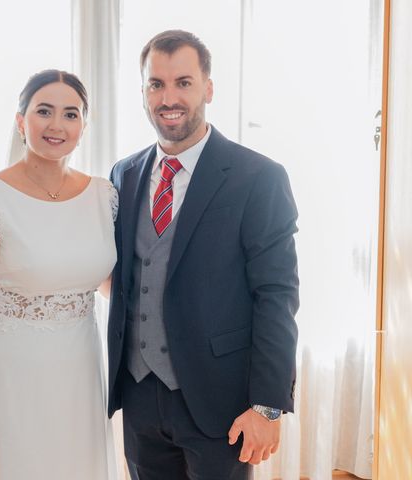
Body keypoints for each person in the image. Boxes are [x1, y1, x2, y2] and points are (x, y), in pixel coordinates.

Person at [107, 30, 299, 479]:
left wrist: (268, 406)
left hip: (221, 401)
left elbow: (276, 295)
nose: (168, 97)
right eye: (156, 84)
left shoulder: (258, 177)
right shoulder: (124, 174)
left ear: (208, 88)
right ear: (142, 92)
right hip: (137, 397)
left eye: (184, 82)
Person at [0, 69, 119, 480]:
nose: (56, 125)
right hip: (11, 372)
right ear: (20, 120)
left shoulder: (105, 195)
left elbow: (110, 283)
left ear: (84, 125)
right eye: (44, 111)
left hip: (80, 370)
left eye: (71, 114)